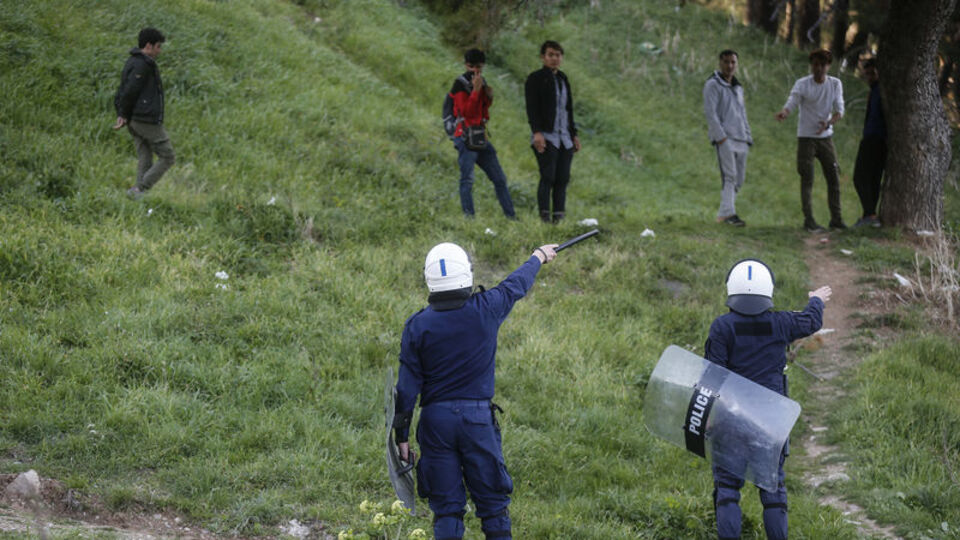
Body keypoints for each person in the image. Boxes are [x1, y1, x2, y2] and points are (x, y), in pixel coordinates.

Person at [392, 241, 559, 540]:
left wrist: (401, 436)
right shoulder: (487, 308)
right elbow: (515, 284)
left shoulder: (416, 326)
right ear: (465, 273)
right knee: (493, 506)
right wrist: (537, 257)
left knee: (446, 509)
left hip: (435, 422)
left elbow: (406, 388)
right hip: (477, 421)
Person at [704, 259, 832, 540]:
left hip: (730, 417)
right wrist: (816, 300)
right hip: (771, 419)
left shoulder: (722, 327)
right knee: (773, 490)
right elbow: (812, 321)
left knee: (727, 491)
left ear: (731, 289)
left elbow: (712, 377)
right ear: (768, 291)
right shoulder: (781, 323)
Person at [775, 49, 846, 232]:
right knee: (807, 178)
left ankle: (836, 219)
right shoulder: (803, 84)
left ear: (828, 66)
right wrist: (785, 112)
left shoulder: (835, 84)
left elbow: (840, 110)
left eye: (823, 65)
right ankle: (809, 220)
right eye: (816, 64)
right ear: (811, 65)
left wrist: (829, 123)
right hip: (806, 138)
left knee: (833, 178)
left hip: (825, 138)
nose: (819, 68)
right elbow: (793, 101)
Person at [449, 49, 516, 219]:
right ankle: (469, 217)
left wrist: (487, 96)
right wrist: (475, 92)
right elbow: (466, 111)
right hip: (465, 136)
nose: (475, 71)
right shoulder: (460, 84)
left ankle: (511, 216)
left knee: (499, 179)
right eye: (472, 67)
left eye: (479, 67)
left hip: (480, 135)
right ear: (466, 65)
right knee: (467, 180)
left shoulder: (482, 82)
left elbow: (483, 113)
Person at [114, 28, 174, 200]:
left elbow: (123, 90)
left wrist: (122, 113)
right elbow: (129, 91)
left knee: (145, 155)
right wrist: (123, 113)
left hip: (134, 118)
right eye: (158, 47)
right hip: (144, 119)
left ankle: (137, 197)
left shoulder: (133, 61)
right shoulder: (142, 64)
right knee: (168, 156)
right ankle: (140, 189)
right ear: (148, 46)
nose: (159, 51)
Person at [525, 40, 581, 223]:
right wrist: (537, 132)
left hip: (564, 136)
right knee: (547, 176)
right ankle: (544, 216)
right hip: (547, 135)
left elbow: (568, 109)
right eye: (550, 55)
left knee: (562, 177)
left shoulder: (563, 78)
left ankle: (559, 216)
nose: (554, 59)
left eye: (557, 55)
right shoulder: (535, 78)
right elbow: (532, 108)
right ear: (543, 57)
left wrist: (574, 135)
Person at [703, 49, 753, 227]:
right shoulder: (712, 84)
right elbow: (711, 113)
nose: (729, 66)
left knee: (739, 179)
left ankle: (725, 212)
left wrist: (748, 136)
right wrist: (721, 137)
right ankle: (727, 214)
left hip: (741, 138)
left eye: (733, 62)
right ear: (720, 63)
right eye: (726, 62)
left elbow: (742, 113)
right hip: (725, 138)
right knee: (729, 176)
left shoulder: (738, 87)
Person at [852, 58, 886, 228]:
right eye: (867, 74)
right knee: (871, 178)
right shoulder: (874, 91)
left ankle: (870, 214)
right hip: (871, 137)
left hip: (876, 138)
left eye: (872, 73)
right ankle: (868, 215)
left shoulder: (882, 91)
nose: (870, 77)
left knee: (860, 177)